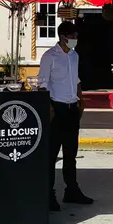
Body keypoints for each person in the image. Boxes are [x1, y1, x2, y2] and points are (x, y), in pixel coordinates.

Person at [38, 21, 94, 211]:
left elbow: (76, 79)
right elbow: (42, 83)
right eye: (72, 36)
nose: (75, 40)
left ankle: (72, 190)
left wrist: (81, 99)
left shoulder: (74, 55)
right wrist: (50, 109)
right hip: (57, 108)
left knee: (71, 153)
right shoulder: (49, 57)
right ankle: (47, 193)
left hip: (72, 108)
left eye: (76, 36)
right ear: (63, 36)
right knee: (52, 154)